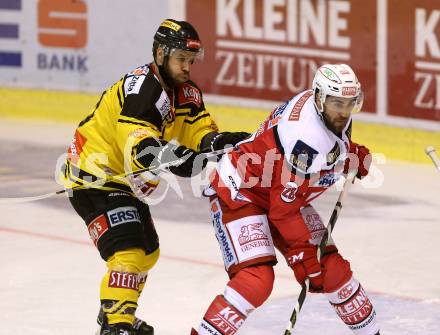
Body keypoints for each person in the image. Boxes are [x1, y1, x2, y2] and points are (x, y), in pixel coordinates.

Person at [59, 19, 249, 335]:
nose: (187, 67)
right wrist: (188, 162)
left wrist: (227, 142)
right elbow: (141, 149)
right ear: (160, 53)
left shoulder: (185, 91)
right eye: (181, 59)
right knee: (128, 251)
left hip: (124, 179)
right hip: (93, 174)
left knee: (148, 252)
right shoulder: (143, 91)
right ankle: (116, 326)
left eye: (190, 61)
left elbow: (200, 132)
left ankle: (114, 312)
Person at [192, 64, 381, 335]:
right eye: (337, 103)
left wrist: (350, 154)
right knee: (255, 280)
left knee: (332, 271)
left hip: (281, 193)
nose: (343, 111)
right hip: (242, 191)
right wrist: (302, 255)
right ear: (320, 98)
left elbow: (325, 151)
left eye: (350, 103)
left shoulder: (321, 107)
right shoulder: (304, 141)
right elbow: (284, 211)